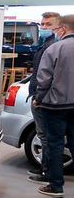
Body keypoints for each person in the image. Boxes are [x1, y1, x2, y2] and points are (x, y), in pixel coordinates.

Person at [34, 14, 74, 198]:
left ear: (63, 29)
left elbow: (44, 79)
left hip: (55, 105)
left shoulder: (55, 49)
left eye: (56, 29)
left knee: (55, 144)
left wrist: (39, 98)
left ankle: (56, 186)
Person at [28, 12, 61, 184]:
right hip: (42, 97)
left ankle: (47, 173)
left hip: (44, 100)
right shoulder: (46, 44)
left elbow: (48, 77)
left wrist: (39, 98)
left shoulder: (53, 46)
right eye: (42, 24)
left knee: (46, 137)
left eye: (48, 24)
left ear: (58, 26)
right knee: (45, 137)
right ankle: (46, 170)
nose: (44, 28)